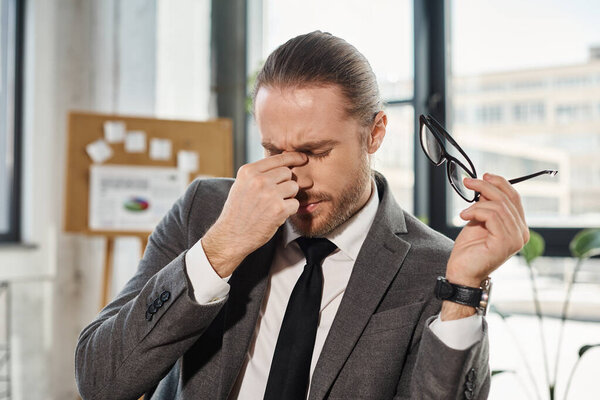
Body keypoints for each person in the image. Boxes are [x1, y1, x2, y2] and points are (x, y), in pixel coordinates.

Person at [75, 31, 529, 400]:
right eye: (273, 151)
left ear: (374, 134)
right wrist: (220, 250)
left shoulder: (435, 267)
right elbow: (102, 382)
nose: (294, 179)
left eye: (314, 152)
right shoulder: (206, 211)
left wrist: (463, 293)